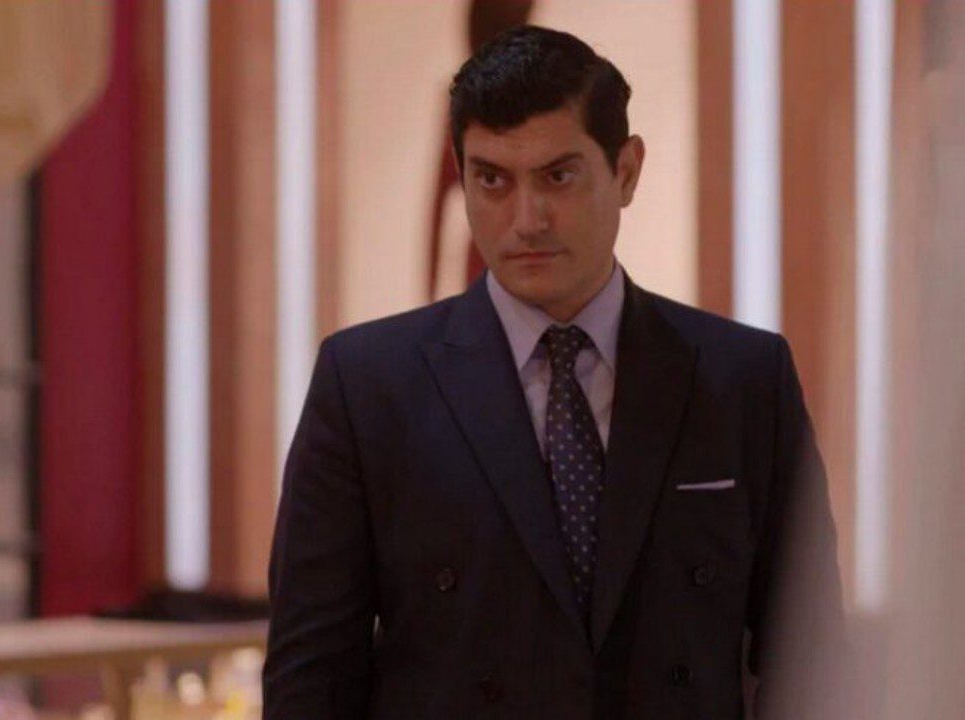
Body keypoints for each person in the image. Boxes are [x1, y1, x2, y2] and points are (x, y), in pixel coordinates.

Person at [264, 25, 845, 719]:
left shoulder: (743, 378)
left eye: (558, 177)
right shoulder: (367, 386)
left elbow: (813, 663)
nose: (527, 220)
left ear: (625, 171)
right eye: (492, 181)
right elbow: (311, 677)